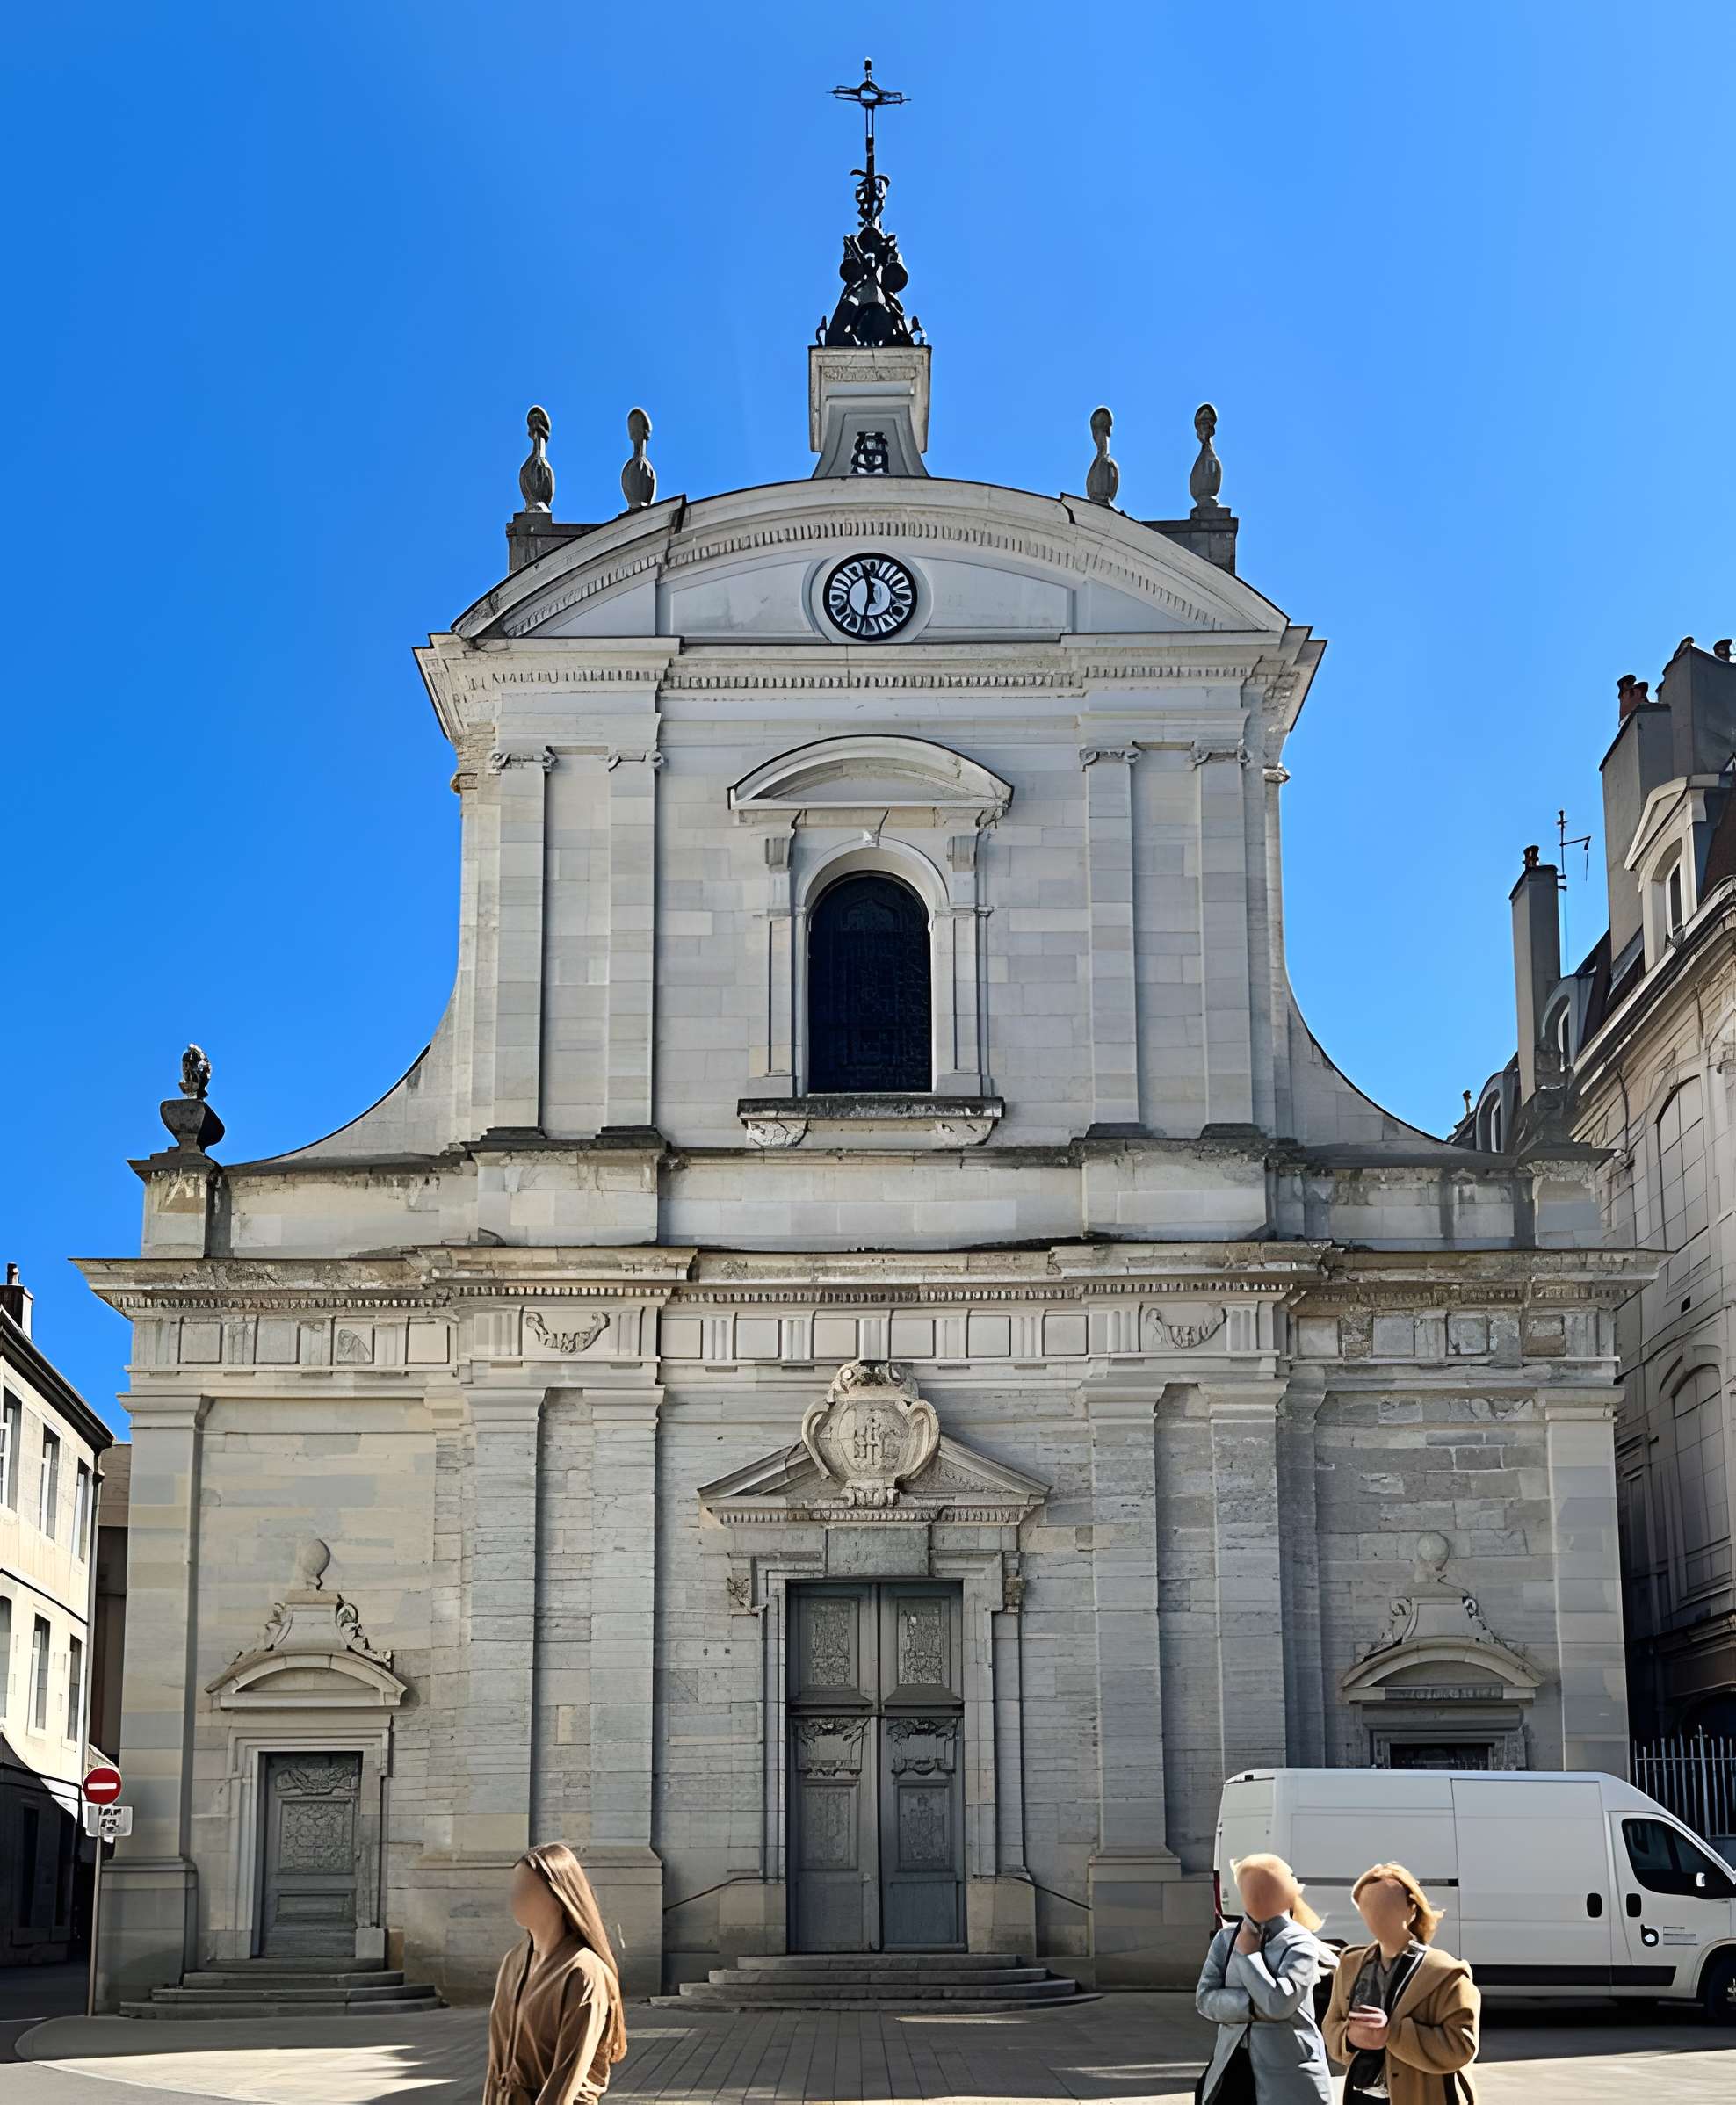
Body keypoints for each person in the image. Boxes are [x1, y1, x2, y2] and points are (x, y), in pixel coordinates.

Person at [1322, 1863, 1479, 2105]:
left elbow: (1462, 2046)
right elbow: (1331, 2027)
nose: (1377, 1916)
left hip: (1423, 2095)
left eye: (1387, 1907)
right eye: (1368, 1907)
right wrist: (1351, 2037)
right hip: (1361, 2095)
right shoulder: (1351, 1964)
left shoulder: (1446, 1973)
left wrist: (1392, 2034)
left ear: (1412, 1909)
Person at [485, 1843, 628, 2105]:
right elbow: (497, 2069)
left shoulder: (584, 1972)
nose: (515, 1898)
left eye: (527, 1889)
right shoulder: (513, 1962)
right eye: (515, 1889)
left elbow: (565, 2080)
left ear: (559, 1897)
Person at [1195, 1852, 1336, 2105]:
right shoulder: (1226, 1939)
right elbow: (1205, 1999)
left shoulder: (1301, 1943)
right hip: (1231, 2069)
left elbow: (1280, 2004)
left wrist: (1250, 1956)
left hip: (1287, 2075)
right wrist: (1251, 2005)